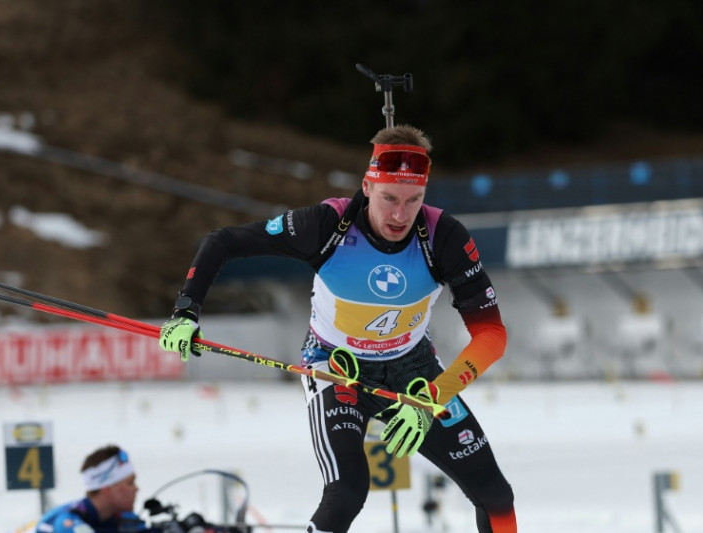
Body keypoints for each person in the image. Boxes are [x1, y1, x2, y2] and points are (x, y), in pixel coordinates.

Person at [158, 124, 517, 532]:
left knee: (496, 495)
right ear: (367, 187)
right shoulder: (327, 225)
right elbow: (221, 241)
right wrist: (187, 309)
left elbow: (492, 335)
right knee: (348, 489)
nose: (400, 215)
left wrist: (432, 399)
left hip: (414, 372)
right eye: (388, 199)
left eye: (413, 200)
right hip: (335, 365)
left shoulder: (444, 237)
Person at [35, 445, 155, 533]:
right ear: (106, 488)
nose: (136, 489)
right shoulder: (67, 520)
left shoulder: (122, 518)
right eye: (130, 483)